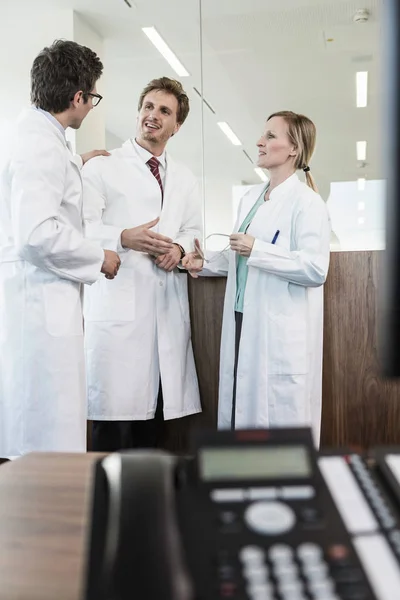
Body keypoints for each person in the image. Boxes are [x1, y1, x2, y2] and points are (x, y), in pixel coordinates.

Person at [0, 40, 121, 459]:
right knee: (43, 439)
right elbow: (36, 232)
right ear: (77, 97)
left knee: (39, 434)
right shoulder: (41, 145)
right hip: (40, 308)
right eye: (92, 99)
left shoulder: (40, 138)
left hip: (38, 304)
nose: (90, 108)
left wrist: (73, 165)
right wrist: (98, 256)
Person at [183, 111, 331, 445]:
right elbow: (241, 257)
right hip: (241, 319)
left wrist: (259, 249)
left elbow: (315, 269)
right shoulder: (251, 198)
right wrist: (203, 262)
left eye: (270, 136)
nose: (259, 142)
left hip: (275, 327)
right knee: (240, 412)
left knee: (276, 419)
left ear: (293, 149)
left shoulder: (307, 203)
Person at [82, 77, 202, 451]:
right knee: (113, 433)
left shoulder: (184, 177)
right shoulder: (103, 167)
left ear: (176, 126)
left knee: (154, 435)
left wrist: (179, 250)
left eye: (164, 111)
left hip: (164, 313)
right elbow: (81, 228)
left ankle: (150, 510)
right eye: (148, 107)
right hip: (118, 318)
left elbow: (194, 228)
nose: (153, 116)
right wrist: (122, 237)